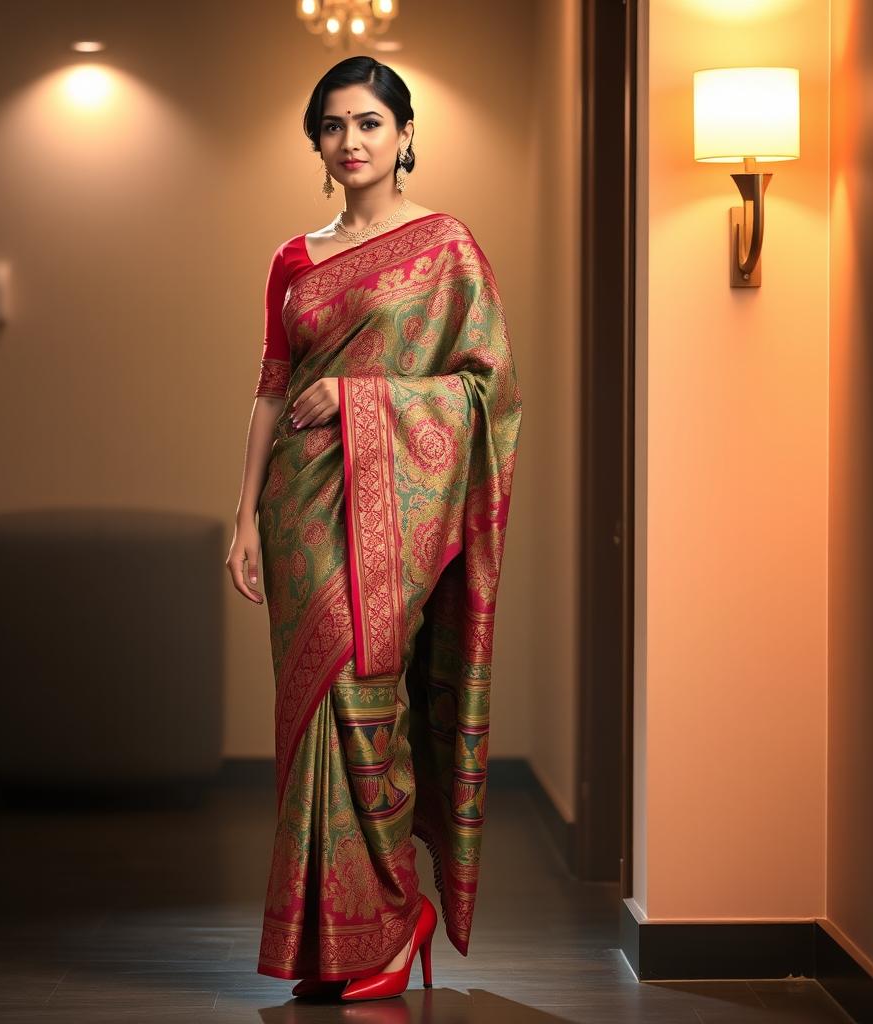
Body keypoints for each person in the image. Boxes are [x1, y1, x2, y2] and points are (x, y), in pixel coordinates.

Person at [226, 54, 522, 1002]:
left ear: (402, 135)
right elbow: (270, 394)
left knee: (366, 702)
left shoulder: (447, 246)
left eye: (367, 124)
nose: (349, 142)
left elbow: (489, 394)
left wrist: (360, 399)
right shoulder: (294, 257)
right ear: (314, 140)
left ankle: (393, 921)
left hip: (396, 503)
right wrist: (240, 518)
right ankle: (328, 944)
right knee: (314, 715)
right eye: (331, 125)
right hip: (299, 510)